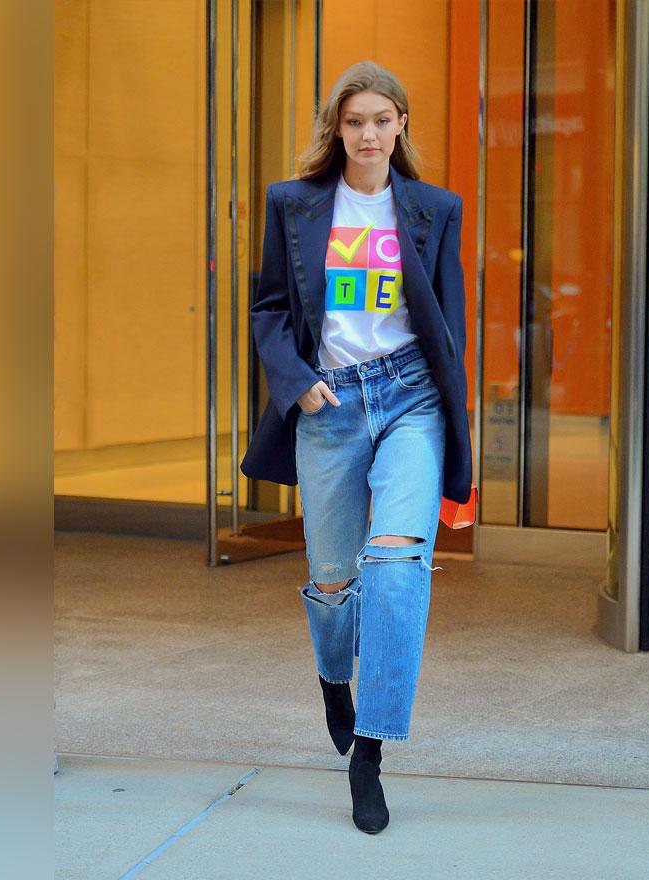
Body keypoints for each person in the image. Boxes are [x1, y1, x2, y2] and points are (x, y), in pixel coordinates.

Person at [239, 60, 472, 834]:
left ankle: (369, 749)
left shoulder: (437, 209)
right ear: (336, 129)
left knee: (398, 563)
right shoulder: (296, 204)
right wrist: (298, 382)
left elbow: (448, 329)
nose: (368, 133)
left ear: (402, 123)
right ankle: (334, 677)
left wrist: (454, 421)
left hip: (411, 398)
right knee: (335, 581)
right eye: (353, 121)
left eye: (381, 119)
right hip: (330, 405)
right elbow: (269, 308)